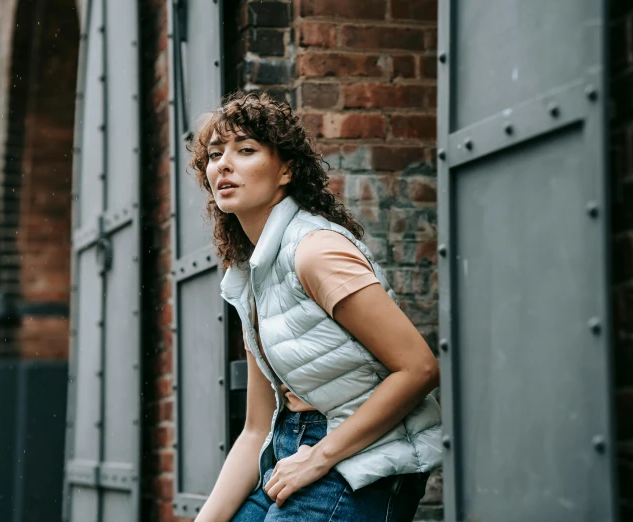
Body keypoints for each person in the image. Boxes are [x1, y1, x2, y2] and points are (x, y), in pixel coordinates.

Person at [189, 91, 443, 522]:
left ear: (286, 169)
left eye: (245, 150)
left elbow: (419, 368)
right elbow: (256, 428)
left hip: (361, 460)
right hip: (289, 447)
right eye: (215, 155)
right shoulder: (253, 275)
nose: (223, 165)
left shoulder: (315, 251)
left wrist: (319, 457)